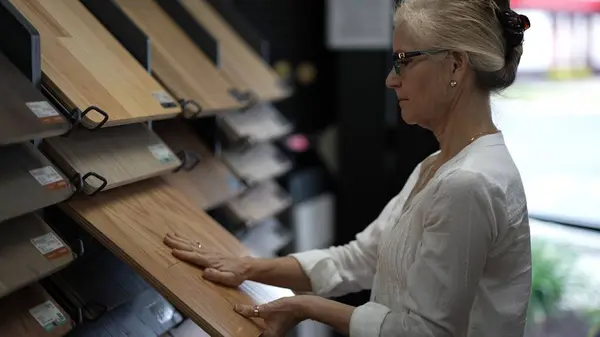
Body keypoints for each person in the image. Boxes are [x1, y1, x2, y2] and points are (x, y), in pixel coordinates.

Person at [164, 0, 533, 336]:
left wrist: (308, 307)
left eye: (404, 59)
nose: (391, 78)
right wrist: (247, 267)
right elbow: (359, 258)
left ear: (454, 64)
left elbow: (424, 333)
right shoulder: (438, 165)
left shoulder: (467, 183)